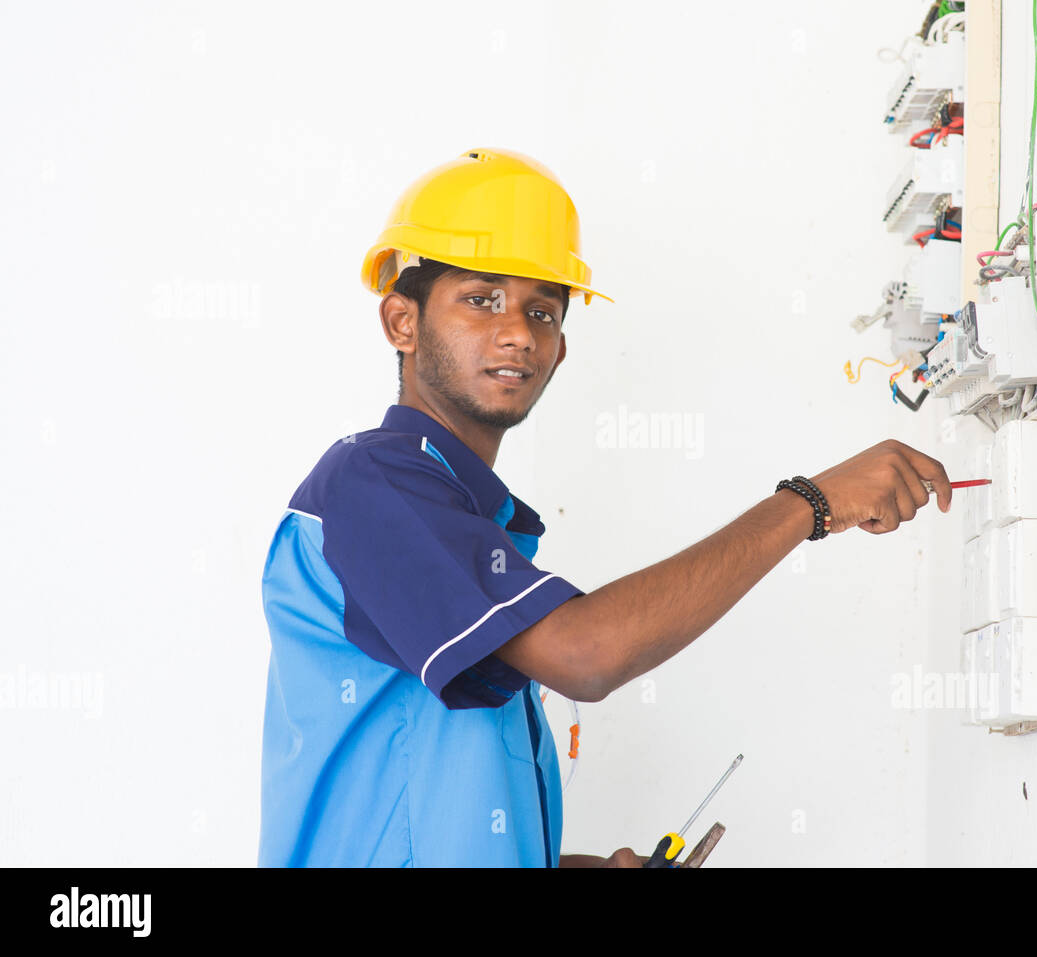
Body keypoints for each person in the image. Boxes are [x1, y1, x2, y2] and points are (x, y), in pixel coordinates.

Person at [257, 147, 953, 868]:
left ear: (558, 353)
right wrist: (812, 501)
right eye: (482, 298)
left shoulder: (460, 521)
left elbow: (421, 817)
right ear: (401, 322)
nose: (519, 332)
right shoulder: (370, 483)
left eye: (542, 311)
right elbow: (585, 656)